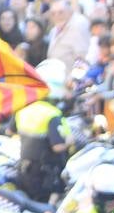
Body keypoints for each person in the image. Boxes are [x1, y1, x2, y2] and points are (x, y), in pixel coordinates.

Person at [16, 59, 74, 204]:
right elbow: (58, 146)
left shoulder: (24, 108)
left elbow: (11, 131)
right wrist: (69, 141)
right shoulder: (52, 114)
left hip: (24, 170)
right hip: (46, 176)